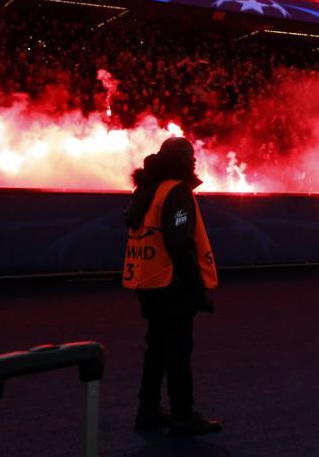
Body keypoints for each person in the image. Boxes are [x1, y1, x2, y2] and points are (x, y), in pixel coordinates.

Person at [123, 136, 222, 435]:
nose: (194, 160)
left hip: (148, 280)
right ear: (179, 159)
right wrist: (196, 287)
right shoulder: (176, 193)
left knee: (156, 347)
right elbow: (180, 243)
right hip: (171, 284)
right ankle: (183, 415)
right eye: (189, 156)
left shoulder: (147, 189)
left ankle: (148, 410)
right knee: (178, 350)